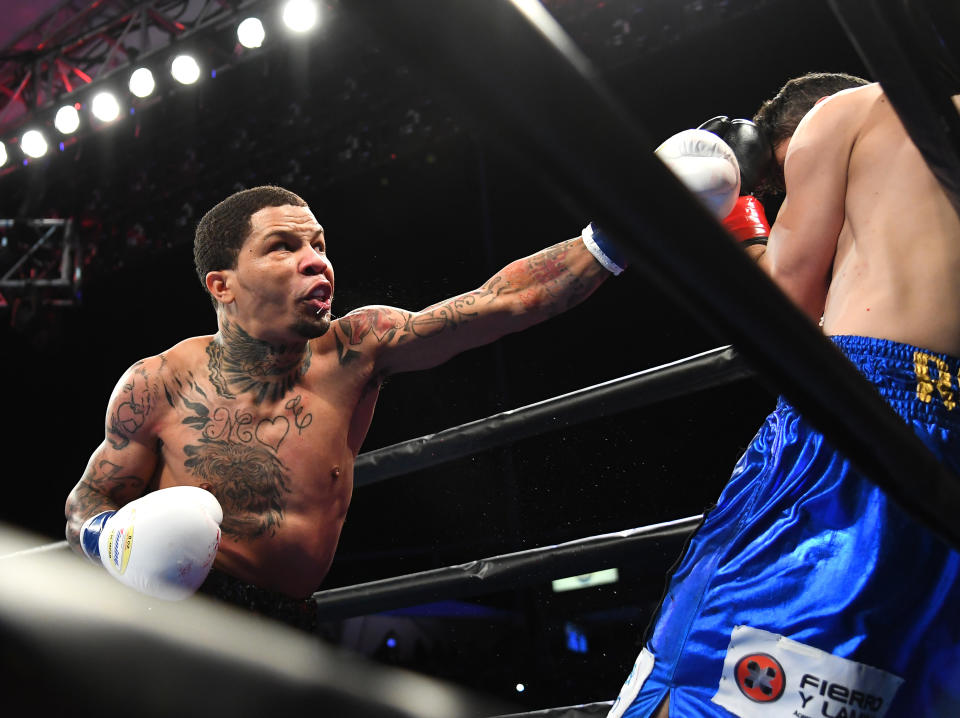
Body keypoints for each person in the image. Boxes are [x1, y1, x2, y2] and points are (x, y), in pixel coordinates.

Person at [61, 170, 737, 623]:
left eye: (319, 245)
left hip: (293, 620)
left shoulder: (357, 348)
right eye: (283, 247)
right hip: (178, 617)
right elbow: (87, 500)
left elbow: (503, 302)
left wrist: (621, 231)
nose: (316, 260)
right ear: (222, 284)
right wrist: (105, 538)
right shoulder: (158, 383)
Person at [609, 72, 960, 717]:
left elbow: (782, 308)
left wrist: (740, 218)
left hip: (865, 412)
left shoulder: (851, 111)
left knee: (707, 677)